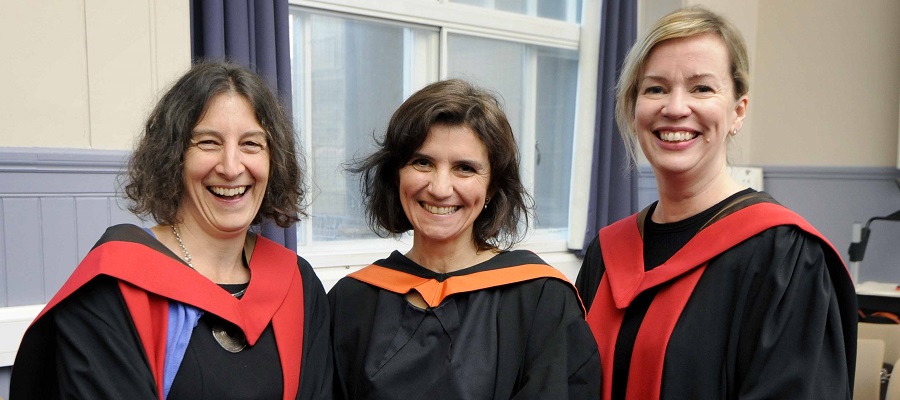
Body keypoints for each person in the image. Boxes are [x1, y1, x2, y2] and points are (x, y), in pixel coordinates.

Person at [575, 6, 857, 400]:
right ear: (633, 106)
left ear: (738, 111)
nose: (674, 108)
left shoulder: (785, 256)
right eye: (655, 88)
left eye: (701, 88)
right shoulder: (607, 254)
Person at [10, 61, 332, 399]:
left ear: (273, 161)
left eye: (252, 144)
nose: (231, 166)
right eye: (208, 142)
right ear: (173, 156)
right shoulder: (115, 287)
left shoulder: (297, 283)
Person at [329, 79, 600, 399]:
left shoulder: (541, 299)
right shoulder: (351, 301)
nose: (440, 188)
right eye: (422, 162)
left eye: (465, 168)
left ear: (492, 188)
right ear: (396, 175)